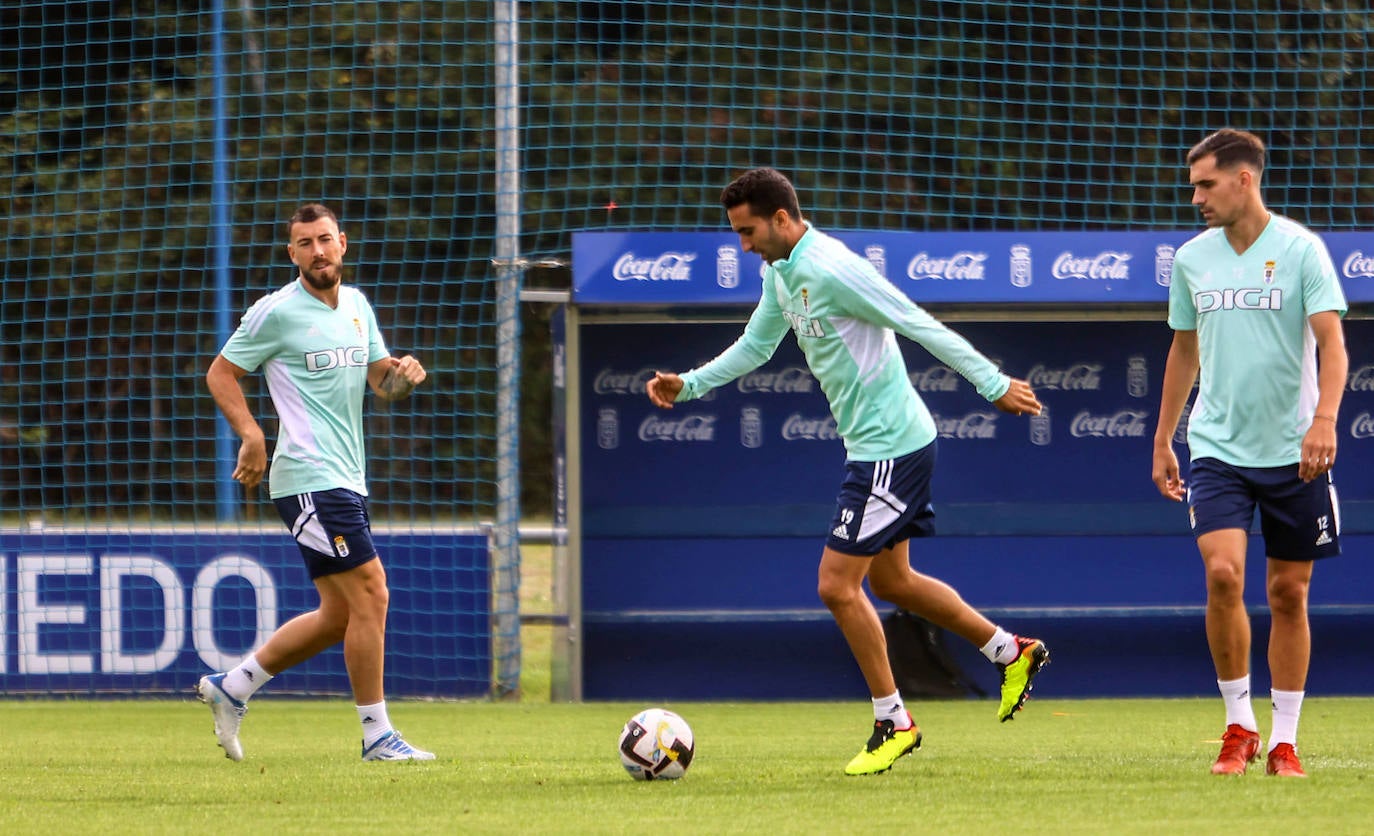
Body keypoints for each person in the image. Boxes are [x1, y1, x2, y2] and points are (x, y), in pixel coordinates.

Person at [645, 168, 1050, 776]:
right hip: (875, 447)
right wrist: (691, 383)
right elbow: (757, 346)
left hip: (893, 449)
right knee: (892, 584)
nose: (743, 244)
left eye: (748, 231)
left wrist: (991, 382)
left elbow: (913, 319)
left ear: (782, 218)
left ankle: (895, 720)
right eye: (737, 234)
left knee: (836, 585)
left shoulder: (832, 268)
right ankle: (1009, 650)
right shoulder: (780, 272)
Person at [199, 202, 434, 762]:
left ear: (343, 243)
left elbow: (380, 384)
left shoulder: (356, 306)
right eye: (305, 243)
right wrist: (252, 434)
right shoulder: (275, 312)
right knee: (373, 592)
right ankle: (377, 735)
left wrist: (404, 377)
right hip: (308, 478)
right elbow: (220, 372)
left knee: (339, 616)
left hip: (347, 478)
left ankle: (233, 687)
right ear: (293, 253)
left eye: (325, 240)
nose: (318, 251)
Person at [1151, 129, 1348, 778]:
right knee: (1224, 575)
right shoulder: (1192, 260)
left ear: (1245, 180)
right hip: (1217, 451)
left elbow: (1333, 346)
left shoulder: (1300, 251)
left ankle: (1285, 740)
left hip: (1297, 453)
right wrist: (1163, 438)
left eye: (1206, 185)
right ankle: (1238, 726)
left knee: (1288, 593)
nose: (1196, 198)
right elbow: (1184, 350)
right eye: (1193, 187)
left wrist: (1324, 420)